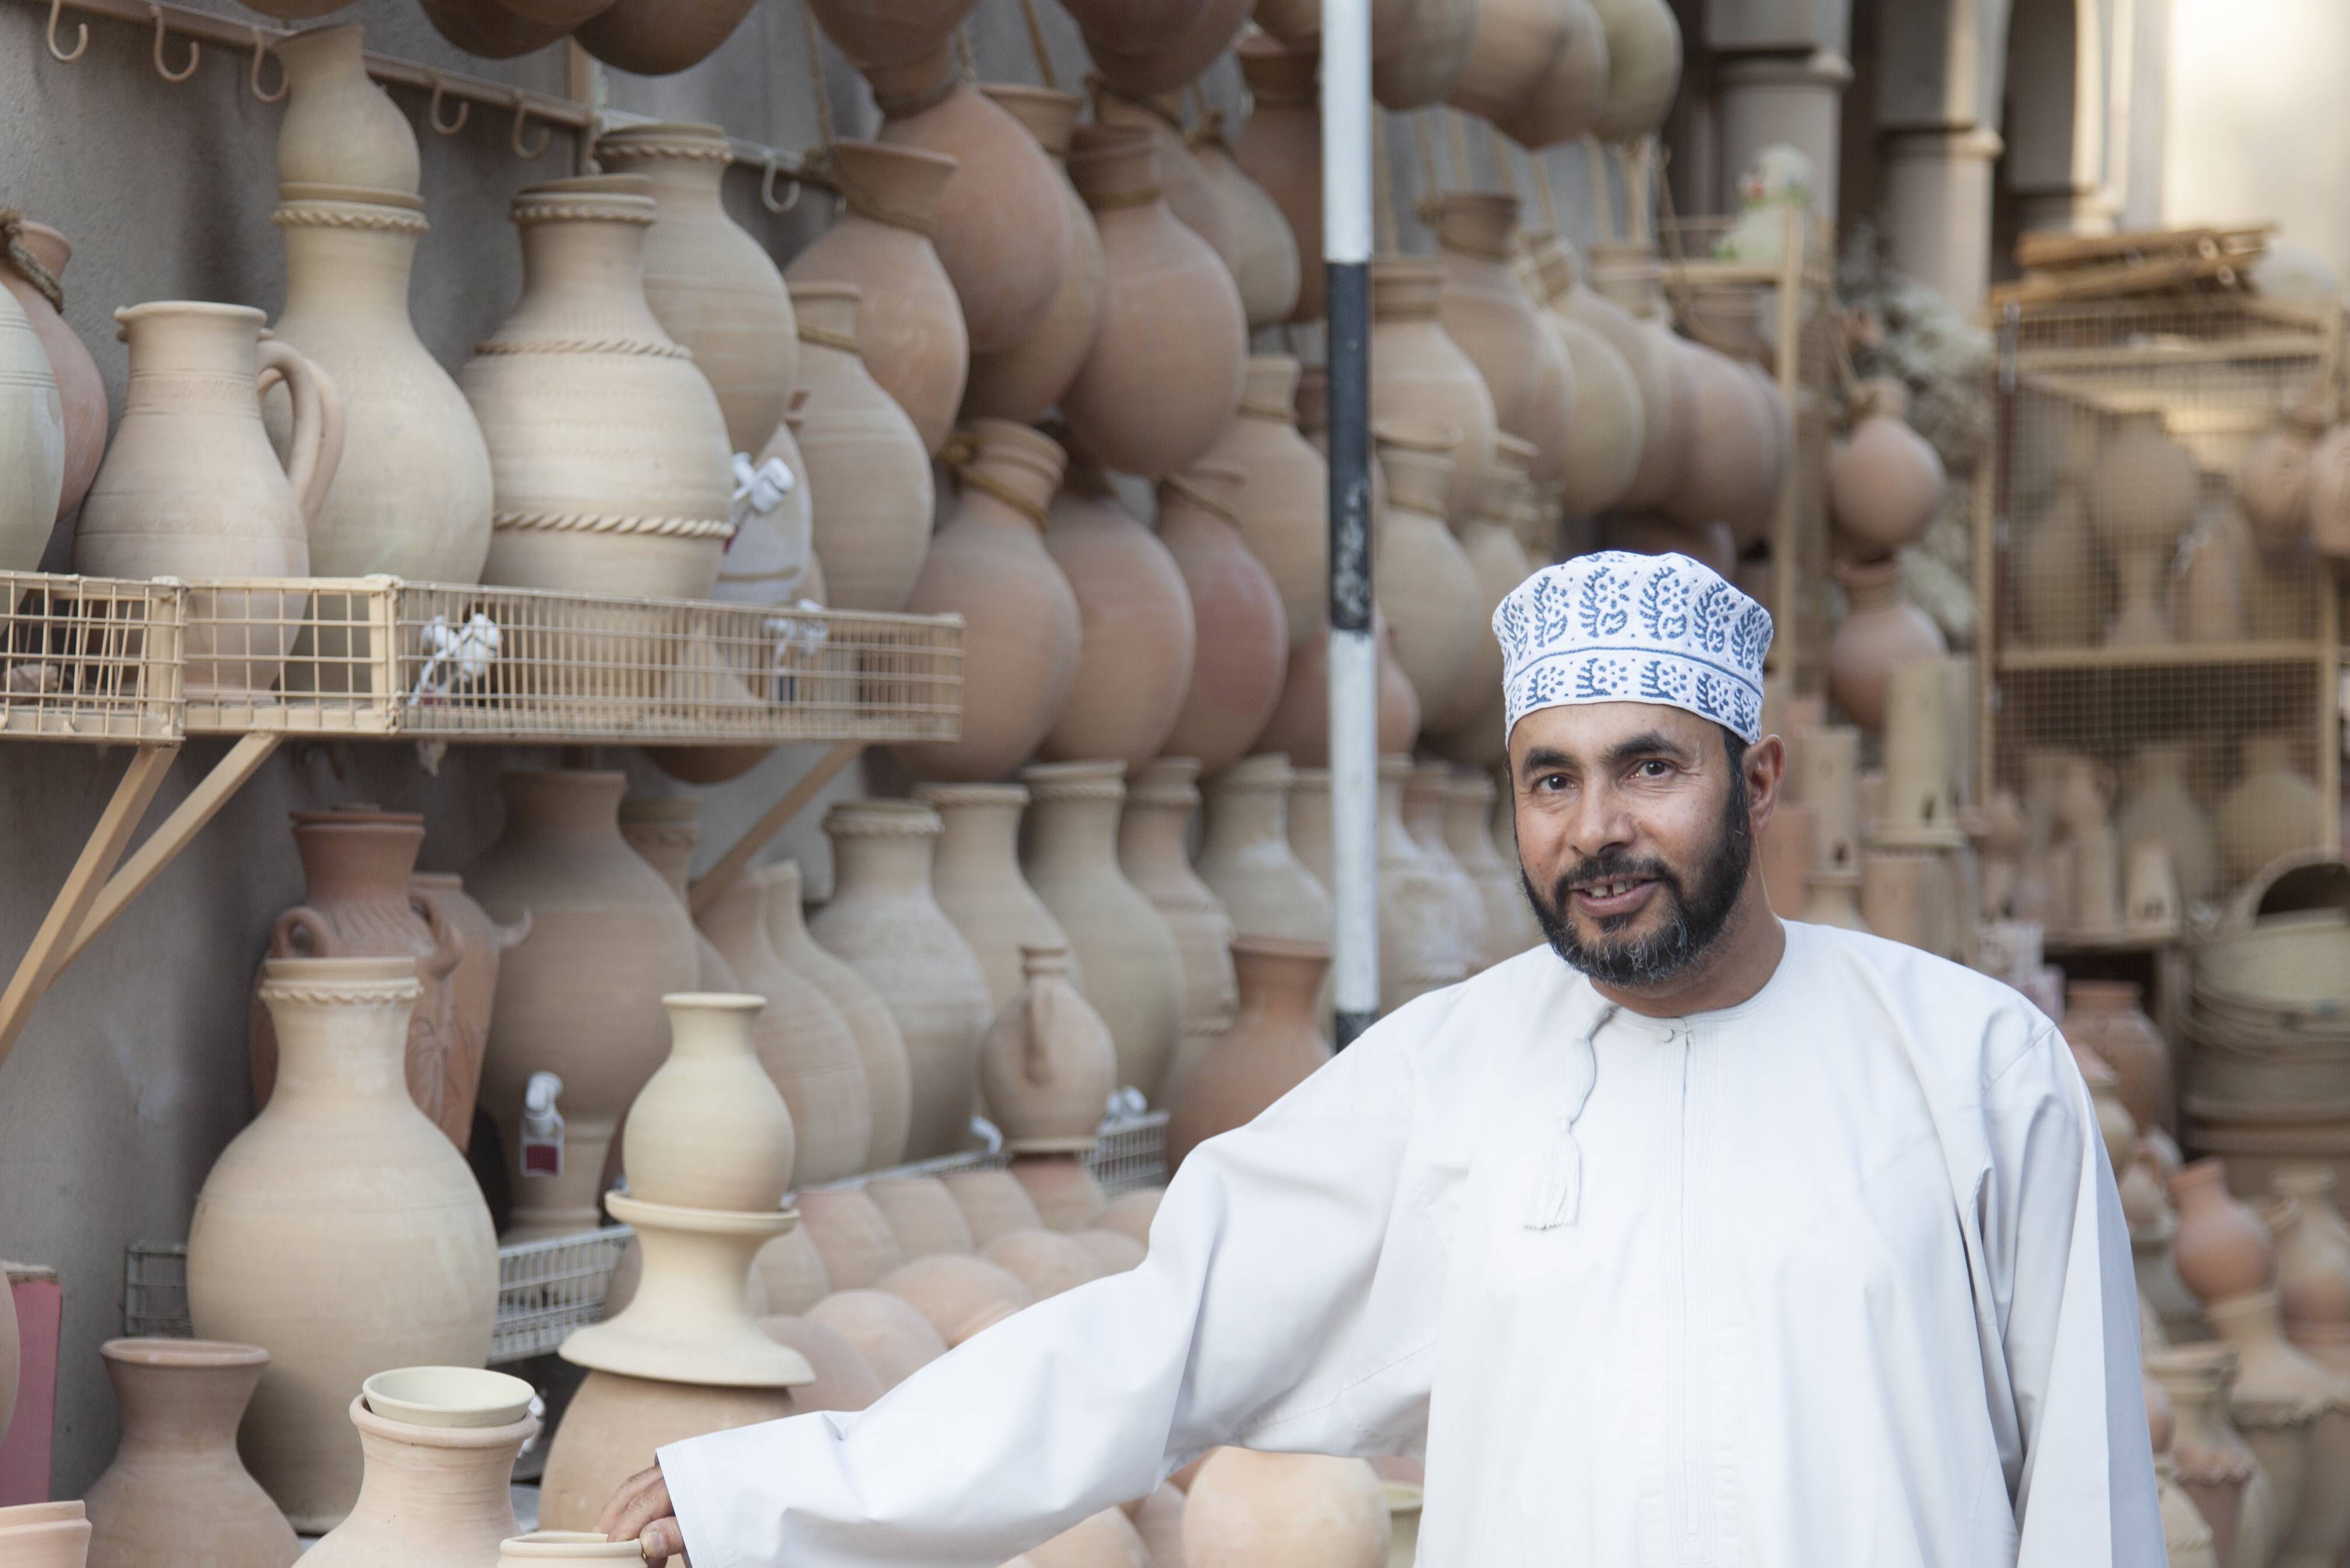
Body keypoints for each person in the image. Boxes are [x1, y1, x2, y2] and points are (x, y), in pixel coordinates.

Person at [601, 551, 2163, 1567]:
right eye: (1549, 779)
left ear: (1753, 777)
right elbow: (1158, 1341)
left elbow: (2086, 1497)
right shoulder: (1455, 1072)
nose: (1594, 826)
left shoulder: (1970, 1065)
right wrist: (779, 1492)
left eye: (1649, 769)